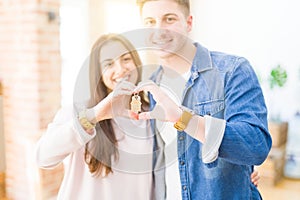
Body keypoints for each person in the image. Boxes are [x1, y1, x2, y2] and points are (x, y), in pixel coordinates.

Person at [133, 0, 272, 199]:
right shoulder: (152, 84)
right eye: (150, 21)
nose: (159, 30)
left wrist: (184, 119)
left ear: (188, 23)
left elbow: (255, 146)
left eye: (169, 19)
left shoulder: (232, 71)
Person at [35, 33, 155, 200]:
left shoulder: (151, 115)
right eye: (109, 64)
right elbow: (43, 157)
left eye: (126, 59)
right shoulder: (78, 112)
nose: (120, 69)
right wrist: (94, 116)